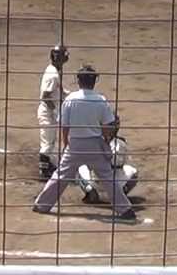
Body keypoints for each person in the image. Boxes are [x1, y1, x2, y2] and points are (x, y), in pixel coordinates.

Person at [32, 65, 137, 221]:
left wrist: (67, 144)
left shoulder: (70, 99)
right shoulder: (100, 100)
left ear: (78, 81)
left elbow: (65, 126)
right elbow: (108, 126)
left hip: (74, 145)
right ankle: (125, 210)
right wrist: (106, 142)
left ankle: (42, 205)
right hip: (95, 145)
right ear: (94, 81)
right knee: (108, 179)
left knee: (60, 175)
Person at [77, 118, 138, 205]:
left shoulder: (93, 141)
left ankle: (90, 189)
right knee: (133, 171)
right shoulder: (121, 143)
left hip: (96, 183)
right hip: (115, 185)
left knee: (80, 167)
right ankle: (120, 194)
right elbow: (122, 164)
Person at [37, 44, 70, 179]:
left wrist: (69, 95)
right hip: (47, 113)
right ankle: (44, 170)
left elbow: (59, 90)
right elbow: (45, 97)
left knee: (50, 140)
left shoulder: (54, 70)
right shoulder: (52, 74)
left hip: (49, 112)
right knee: (48, 142)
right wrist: (55, 111)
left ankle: (48, 165)